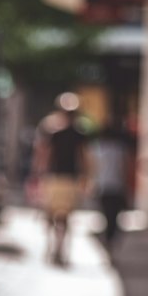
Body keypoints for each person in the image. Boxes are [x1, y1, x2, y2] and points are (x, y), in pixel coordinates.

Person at [31, 102, 85, 266]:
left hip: (66, 179)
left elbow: (83, 157)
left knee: (61, 217)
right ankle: (55, 248)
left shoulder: (76, 134)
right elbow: (45, 155)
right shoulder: (56, 132)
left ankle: (58, 248)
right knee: (54, 216)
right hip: (57, 178)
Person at [90, 122, 132, 261]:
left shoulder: (97, 149)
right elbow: (124, 169)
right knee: (114, 217)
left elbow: (93, 169)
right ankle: (111, 241)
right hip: (116, 187)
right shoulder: (120, 149)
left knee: (107, 216)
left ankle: (109, 242)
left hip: (103, 187)